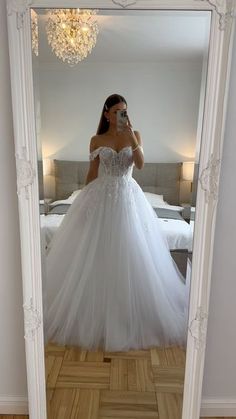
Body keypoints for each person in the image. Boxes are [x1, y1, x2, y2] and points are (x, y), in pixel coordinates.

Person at [44, 93, 189, 351]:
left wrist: (132, 138)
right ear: (106, 113)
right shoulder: (96, 140)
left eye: (126, 111)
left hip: (129, 198)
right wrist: (81, 203)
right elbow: (91, 174)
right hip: (101, 197)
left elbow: (141, 165)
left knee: (131, 251)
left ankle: (129, 312)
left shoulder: (135, 135)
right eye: (118, 111)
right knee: (97, 253)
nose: (123, 116)